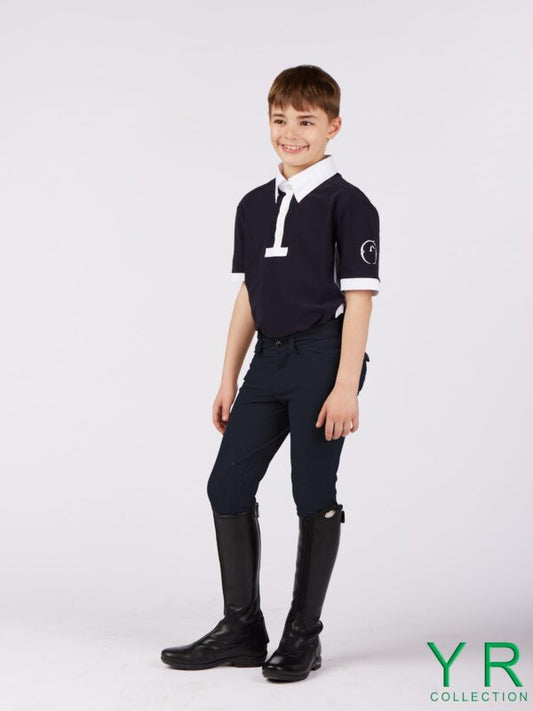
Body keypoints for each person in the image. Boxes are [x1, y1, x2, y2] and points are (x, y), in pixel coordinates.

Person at [161, 64, 380, 683]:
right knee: (226, 487)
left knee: (312, 492)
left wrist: (345, 385)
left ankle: (303, 635)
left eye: (306, 121)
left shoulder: (349, 204)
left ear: (333, 126)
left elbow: (359, 298)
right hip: (268, 361)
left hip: (322, 360)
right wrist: (228, 377)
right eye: (280, 120)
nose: (291, 133)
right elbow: (250, 294)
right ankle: (242, 629)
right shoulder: (254, 205)